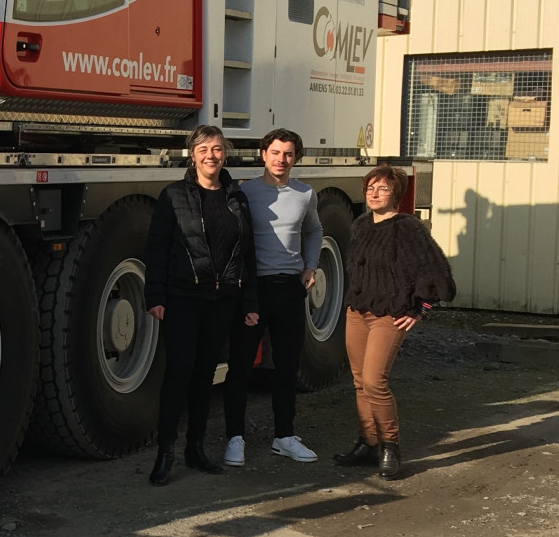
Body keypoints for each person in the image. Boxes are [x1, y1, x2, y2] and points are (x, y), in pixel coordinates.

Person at [145, 125, 258, 486]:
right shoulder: (173, 195)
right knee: (178, 372)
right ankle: (166, 452)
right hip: (182, 298)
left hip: (222, 299)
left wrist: (249, 301)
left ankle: (196, 449)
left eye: (218, 149)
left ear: (226, 154)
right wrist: (155, 296)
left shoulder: (236, 197)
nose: (211, 155)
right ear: (192, 154)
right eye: (204, 149)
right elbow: (157, 248)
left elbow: (248, 254)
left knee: (205, 376)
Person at [334, 164, 456, 479]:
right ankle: (368, 443)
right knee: (360, 382)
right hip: (357, 312)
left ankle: (390, 447)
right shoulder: (361, 224)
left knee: (375, 381)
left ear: (396, 195)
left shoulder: (407, 227)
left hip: (389, 315)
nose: (374, 194)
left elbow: (435, 268)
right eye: (370, 188)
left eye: (383, 189)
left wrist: (422, 307)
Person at [223, 128, 322, 467]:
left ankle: (285, 436)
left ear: (296, 158)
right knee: (239, 367)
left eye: (289, 154)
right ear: (263, 154)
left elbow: (314, 230)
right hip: (251, 290)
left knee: (286, 367)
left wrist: (311, 265)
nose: (282, 159)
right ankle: (235, 439)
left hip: (289, 289)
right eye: (276, 152)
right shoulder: (244, 192)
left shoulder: (305, 194)